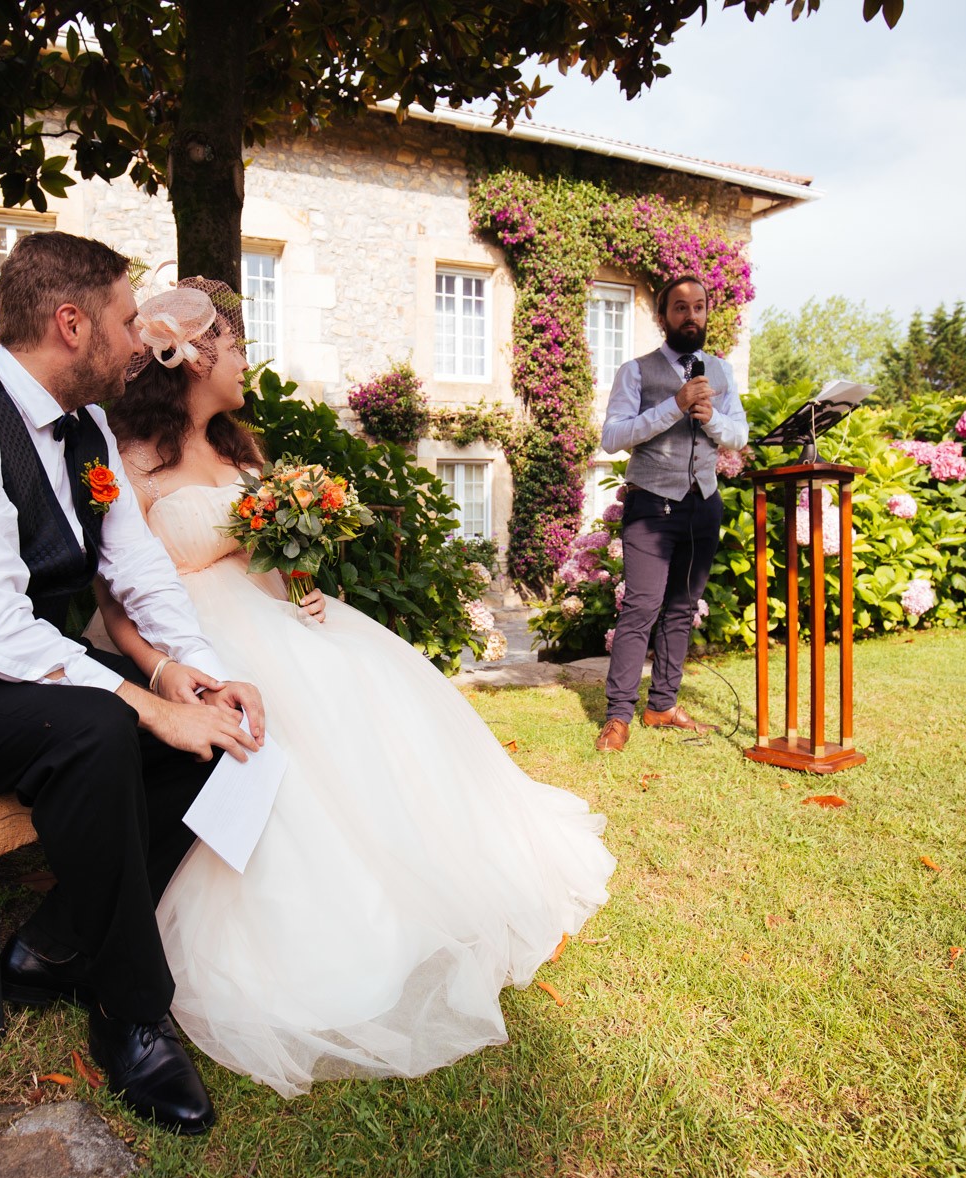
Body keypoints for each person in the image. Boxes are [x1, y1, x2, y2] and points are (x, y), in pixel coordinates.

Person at [91, 277, 616, 1098]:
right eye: (234, 347)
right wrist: (165, 672)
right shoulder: (130, 462)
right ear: (193, 360)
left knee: (367, 684)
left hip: (285, 616)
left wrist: (300, 569)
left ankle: (432, 869)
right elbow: (118, 607)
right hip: (202, 641)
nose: (245, 362)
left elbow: (270, 546)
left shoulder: (236, 449)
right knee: (302, 718)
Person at [0, 233, 269, 1136]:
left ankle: (49, 947)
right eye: (121, 319)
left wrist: (192, 676)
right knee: (104, 728)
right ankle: (131, 1013)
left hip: (10, 678)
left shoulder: (92, 431)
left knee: (206, 731)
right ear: (70, 324)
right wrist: (140, 703)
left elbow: (138, 570)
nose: (140, 339)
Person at [593, 275, 750, 752]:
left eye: (699, 307)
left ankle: (662, 705)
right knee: (641, 608)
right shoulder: (636, 371)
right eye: (680, 308)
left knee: (682, 608)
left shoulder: (720, 371)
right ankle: (618, 715)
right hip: (651, 506)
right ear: (662, 318)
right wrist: (674, 407)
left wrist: (713, 420)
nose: (691, 316)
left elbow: (739, 435)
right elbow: (612, 437)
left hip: (704, 504)